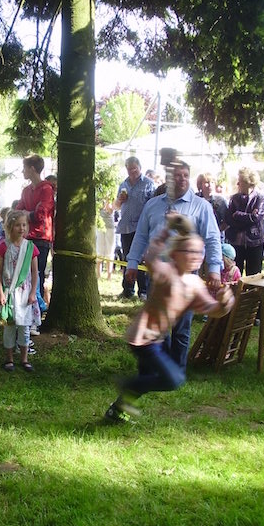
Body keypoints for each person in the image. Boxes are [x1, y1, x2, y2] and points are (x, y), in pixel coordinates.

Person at [105, 214, 234, 422]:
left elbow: (212, 309)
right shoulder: (166, 272)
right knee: (173, 380)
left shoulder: (194, 283)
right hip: (142, 338)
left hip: (160, 337)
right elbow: (151, 257)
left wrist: (224, 303)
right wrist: (166, 229)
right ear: (174, 254)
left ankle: (116, 411)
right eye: (190, 251)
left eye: (199, 251)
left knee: (146, 378)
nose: (196, 256)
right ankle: (126, 385)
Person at [125, 160, 223, 370]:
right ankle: (164, 368)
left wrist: (215, 269)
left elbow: (213, 239)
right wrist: (132, 262)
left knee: (181, 327)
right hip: (157, 275)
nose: (182, 180)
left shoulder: (201, 206)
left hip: (186, 277)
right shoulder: (152, 205)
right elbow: (141, 236)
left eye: (185, 175)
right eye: (177, 176)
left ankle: (178, 368)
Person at [0, 209, 41, 373]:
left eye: (24, 225)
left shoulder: (30, 248)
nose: (22, 228)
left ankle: (24, 359)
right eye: (18, 225)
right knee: (9, 327)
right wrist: (1, 293)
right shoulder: (3, 247)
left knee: (24, 328)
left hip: (25, 294)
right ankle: (9, 359)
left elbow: (34, 273)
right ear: (10, 227)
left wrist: (33, 292)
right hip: (9, 294)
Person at [114, 156, 155, 299]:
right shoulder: (123, 184)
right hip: (125, 227)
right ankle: (127, 290)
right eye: (129, 169)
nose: (132, 171)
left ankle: (143, 291)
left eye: (134, 168)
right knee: (127, 259)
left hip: (141, 228)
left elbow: (153, 205)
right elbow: (116, 206)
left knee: (141, 259)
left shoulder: (149, 184)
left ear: (140, 167)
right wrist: (119, 200)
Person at [16, 155, 55, 297]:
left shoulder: (46, 189)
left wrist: (26, 213)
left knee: (37, 274)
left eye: (24, 168)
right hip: (25, 237)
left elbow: (40, 215)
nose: (23, 171)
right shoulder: (26, 190)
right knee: (24, 273)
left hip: (41, 238)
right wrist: (27, 213)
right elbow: (17, 211)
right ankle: (25, 304)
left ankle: (37, 304)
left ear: (32, 169)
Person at [224, 168, 264, 277]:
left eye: (240, 181)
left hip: (255, 242)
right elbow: (229, 219)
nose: (237, 184)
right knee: (234, 276)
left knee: (253, 277)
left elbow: (256, 218)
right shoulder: (234, 199)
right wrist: (248, 217)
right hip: (236, 242)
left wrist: (238, 215)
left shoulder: (260, 198)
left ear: (248, 183)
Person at [196, 172, 228, 239]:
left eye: (212, 182)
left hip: (215, 238)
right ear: (200, 184)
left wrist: (215, 232)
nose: (210, 185)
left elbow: (227, 222)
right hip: (197, 237)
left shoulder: (220, 201)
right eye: (207, 182)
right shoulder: (195, 199)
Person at [96, 198, 116, 280]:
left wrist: (107, 202)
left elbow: (110, 211)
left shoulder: (112, 197)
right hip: (100, 227)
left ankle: (109, 276)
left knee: (109, 251)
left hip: (109, 227)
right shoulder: (98, 198)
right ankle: (98, 275)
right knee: (99, 250)